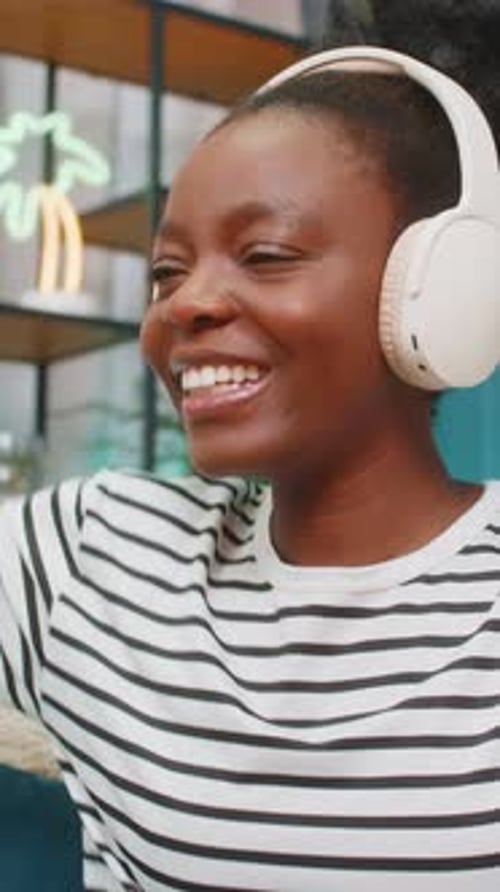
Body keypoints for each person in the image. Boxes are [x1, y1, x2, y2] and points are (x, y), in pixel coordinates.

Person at [1, 45, 499, 892]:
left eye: (265, 255)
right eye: (167, 271)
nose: (185, 304)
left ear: (439, 287)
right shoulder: (94, 551)